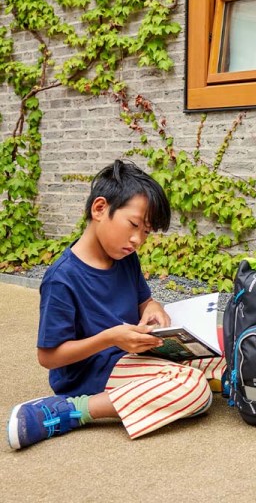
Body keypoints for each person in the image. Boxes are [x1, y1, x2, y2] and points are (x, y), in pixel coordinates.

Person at [7, 160, 225, 450]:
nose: (138, 240)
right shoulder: (63, 278)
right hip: (92, 374)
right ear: (99, 209)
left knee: (224, 349)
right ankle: (72, 411)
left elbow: (144, 300)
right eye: (134, 225)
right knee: (194, 390)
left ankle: (165, 385)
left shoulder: (125, 258)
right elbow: (49, 357)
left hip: (133, 355)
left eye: (146, 232)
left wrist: (152, 308)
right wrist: (111, 338)